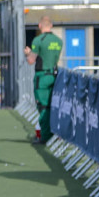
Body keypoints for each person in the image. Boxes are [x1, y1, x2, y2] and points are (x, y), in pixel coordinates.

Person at [25, 16, 62, 144]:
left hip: (42, 77)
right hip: (54, 75)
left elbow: (31, 60)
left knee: (43, 106)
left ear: (40, 26)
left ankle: (45, 136)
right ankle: (54, 133)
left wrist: (28, 53)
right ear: (51, 25)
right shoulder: (58, 41)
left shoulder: (38, 40)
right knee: (54, 106)